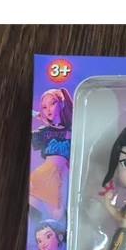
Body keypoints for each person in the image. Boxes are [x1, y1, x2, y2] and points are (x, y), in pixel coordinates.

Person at [29, 87, 72, 220]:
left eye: (52, 103)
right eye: (44, 107)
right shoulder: (43, 132)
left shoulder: (71, 129)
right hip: (44, 176)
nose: (48, 110)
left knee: (58, 217)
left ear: (61, 103)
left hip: (59, 178)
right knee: (50, 217)